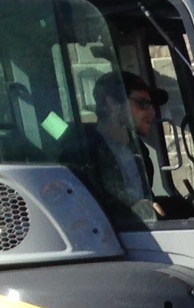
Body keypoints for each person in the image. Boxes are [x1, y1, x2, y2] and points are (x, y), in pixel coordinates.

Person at [66, 71, 177, 226]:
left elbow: (145, 204)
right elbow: (81, 207)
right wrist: (129, 212)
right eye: (143, 104)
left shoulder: (139, 152)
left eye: (151, 105)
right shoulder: (84, 153)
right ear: (112, 104)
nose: (151, 112)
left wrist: (192, 207)